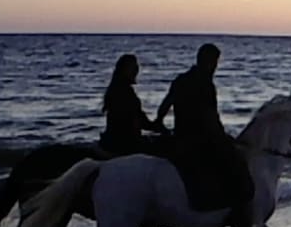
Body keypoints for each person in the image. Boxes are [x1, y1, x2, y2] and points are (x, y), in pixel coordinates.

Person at [154, 43, 254, 212]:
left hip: (181, 136)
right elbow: (211, 118)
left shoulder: (180, 80)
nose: (216, 67)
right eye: (215, 62)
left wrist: (160, 125)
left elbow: (163, 107)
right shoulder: (206, 85)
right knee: (236, 162)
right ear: (209, 62)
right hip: (201, 139)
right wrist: (223, 137)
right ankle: (236, 209)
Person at [99, 54, 165, 155]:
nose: (136, 69)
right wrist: (158, 126)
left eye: (137, 66)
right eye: (133, 67)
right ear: (124, 70)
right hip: (125, 144)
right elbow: (138, 121)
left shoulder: (116, 89)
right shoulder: (124, 92)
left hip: (115, 140)